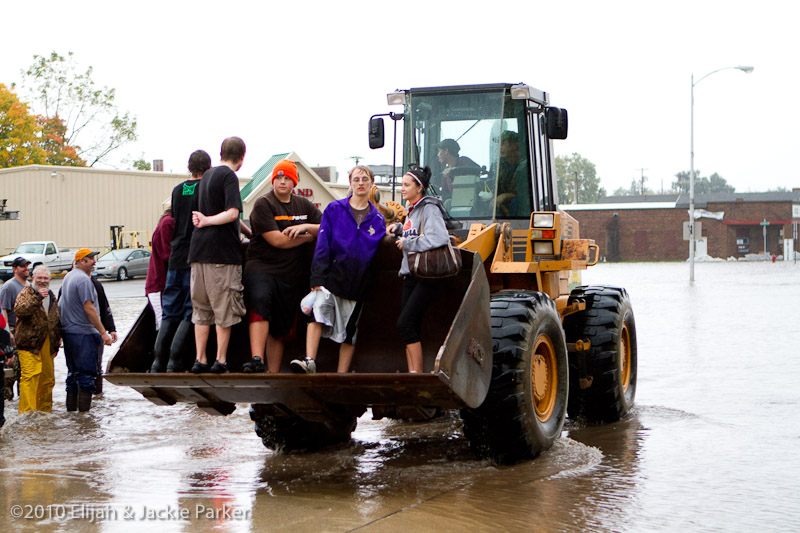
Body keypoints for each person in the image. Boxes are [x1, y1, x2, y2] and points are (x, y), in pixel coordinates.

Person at [293, 166, 386, 374]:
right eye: (356, 179)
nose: (360, 183)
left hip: (357, 283)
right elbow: (323, 244)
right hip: (331, 278)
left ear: (371, 184)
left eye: (364, 179)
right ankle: (310, 360)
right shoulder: (334, 210)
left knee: (350, 331)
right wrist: (317, 277)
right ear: (350, 183)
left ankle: (342, 373)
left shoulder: (378, 220)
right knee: (317, 313)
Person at [242, 159, 321, 374]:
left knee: (280, 325)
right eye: (279, 178)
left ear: (294, 182)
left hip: (291, 274)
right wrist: (306, 238)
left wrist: (304, 227)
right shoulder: (263, 204)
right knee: (261, 302)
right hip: (262, 267)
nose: (283, 182)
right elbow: (277, 240)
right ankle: (257, 358)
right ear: (273, 181)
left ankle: (273, 374)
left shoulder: (303, 205)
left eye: (287, 178)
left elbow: (325, 227)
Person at [188, 137, 247, 374]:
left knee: (201, 310)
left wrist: (250, 232)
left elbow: (224, 214)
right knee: (224, 308)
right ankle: (220, 360)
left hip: (198, 253)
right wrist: (207, 221)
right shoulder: (229, 176)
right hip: (221, 255)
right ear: (241, 158)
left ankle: (200, 359)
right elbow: (232, 213)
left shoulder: (206, 177)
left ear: (220, 153)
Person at [151, 150, 211, 373]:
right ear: (208, 169)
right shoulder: (205, 189)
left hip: (175, 259)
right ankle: (175, 362)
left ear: (189, 167)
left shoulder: (177, 190)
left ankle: (158, 362)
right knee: (190, 310)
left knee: (170, 311)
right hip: (194, 257)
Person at [387, 166, 450, 373]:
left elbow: (439, 237)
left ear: (419, 187)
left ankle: (417, 373)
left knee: (405, 323)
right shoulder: (411, 210)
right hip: (411, 274)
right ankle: (413, 373)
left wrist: (408, 243)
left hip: (427, 275)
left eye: (406, 185)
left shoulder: (430, 208)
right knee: (408, 325)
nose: (402, 189)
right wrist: (398, 228)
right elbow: (413, 231)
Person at [59, 249, 113, 412]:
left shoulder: (68, 277)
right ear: (81, 261)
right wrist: (104, 332)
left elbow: (60, 305)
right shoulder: (83, 280)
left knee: (73, 375)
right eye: (90, 259)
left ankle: (73, 417)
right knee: (87, 377)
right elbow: (89, 308)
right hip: (84, 334)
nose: (94, 261)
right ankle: (84, 420)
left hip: (69, 334)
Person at [13, 265, 60, 413]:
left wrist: (58, 339)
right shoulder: (26, 293)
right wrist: (38, 297)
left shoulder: (52, 295)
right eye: (39, 278)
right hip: (28, 344)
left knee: (47, 379)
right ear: (32, 278)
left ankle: (44, 413)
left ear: (50, 280)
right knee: (30, 377)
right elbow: (20, 310)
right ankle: (27, 414)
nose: (42, 281)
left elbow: (55, 318)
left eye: (45, 278)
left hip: (47, 342)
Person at [1, 256, 30, 400]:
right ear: (14, 269)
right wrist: (8, 333)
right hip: (13, 332)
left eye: (27, 266)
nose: (26, 268)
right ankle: (8, 402)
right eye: (23, 266)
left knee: (24, 373)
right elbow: (3, 310)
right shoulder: (9, 286)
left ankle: (22, 405)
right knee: (11, 373)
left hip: (25, 333)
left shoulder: (29, 286)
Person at [145, 206, 174, 332]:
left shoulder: (166, 222)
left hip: (159, 285)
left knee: (163, 323)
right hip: (159, 285)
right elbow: (168, 255)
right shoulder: (168, 223)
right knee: (163, 324)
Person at [90, 277, 117, 394]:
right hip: (76, 332)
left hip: (97, 331)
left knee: (97, 367)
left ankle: (97, 397)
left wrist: (111, 329)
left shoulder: (96, 284)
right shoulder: (69, 283)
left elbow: (105, 306)